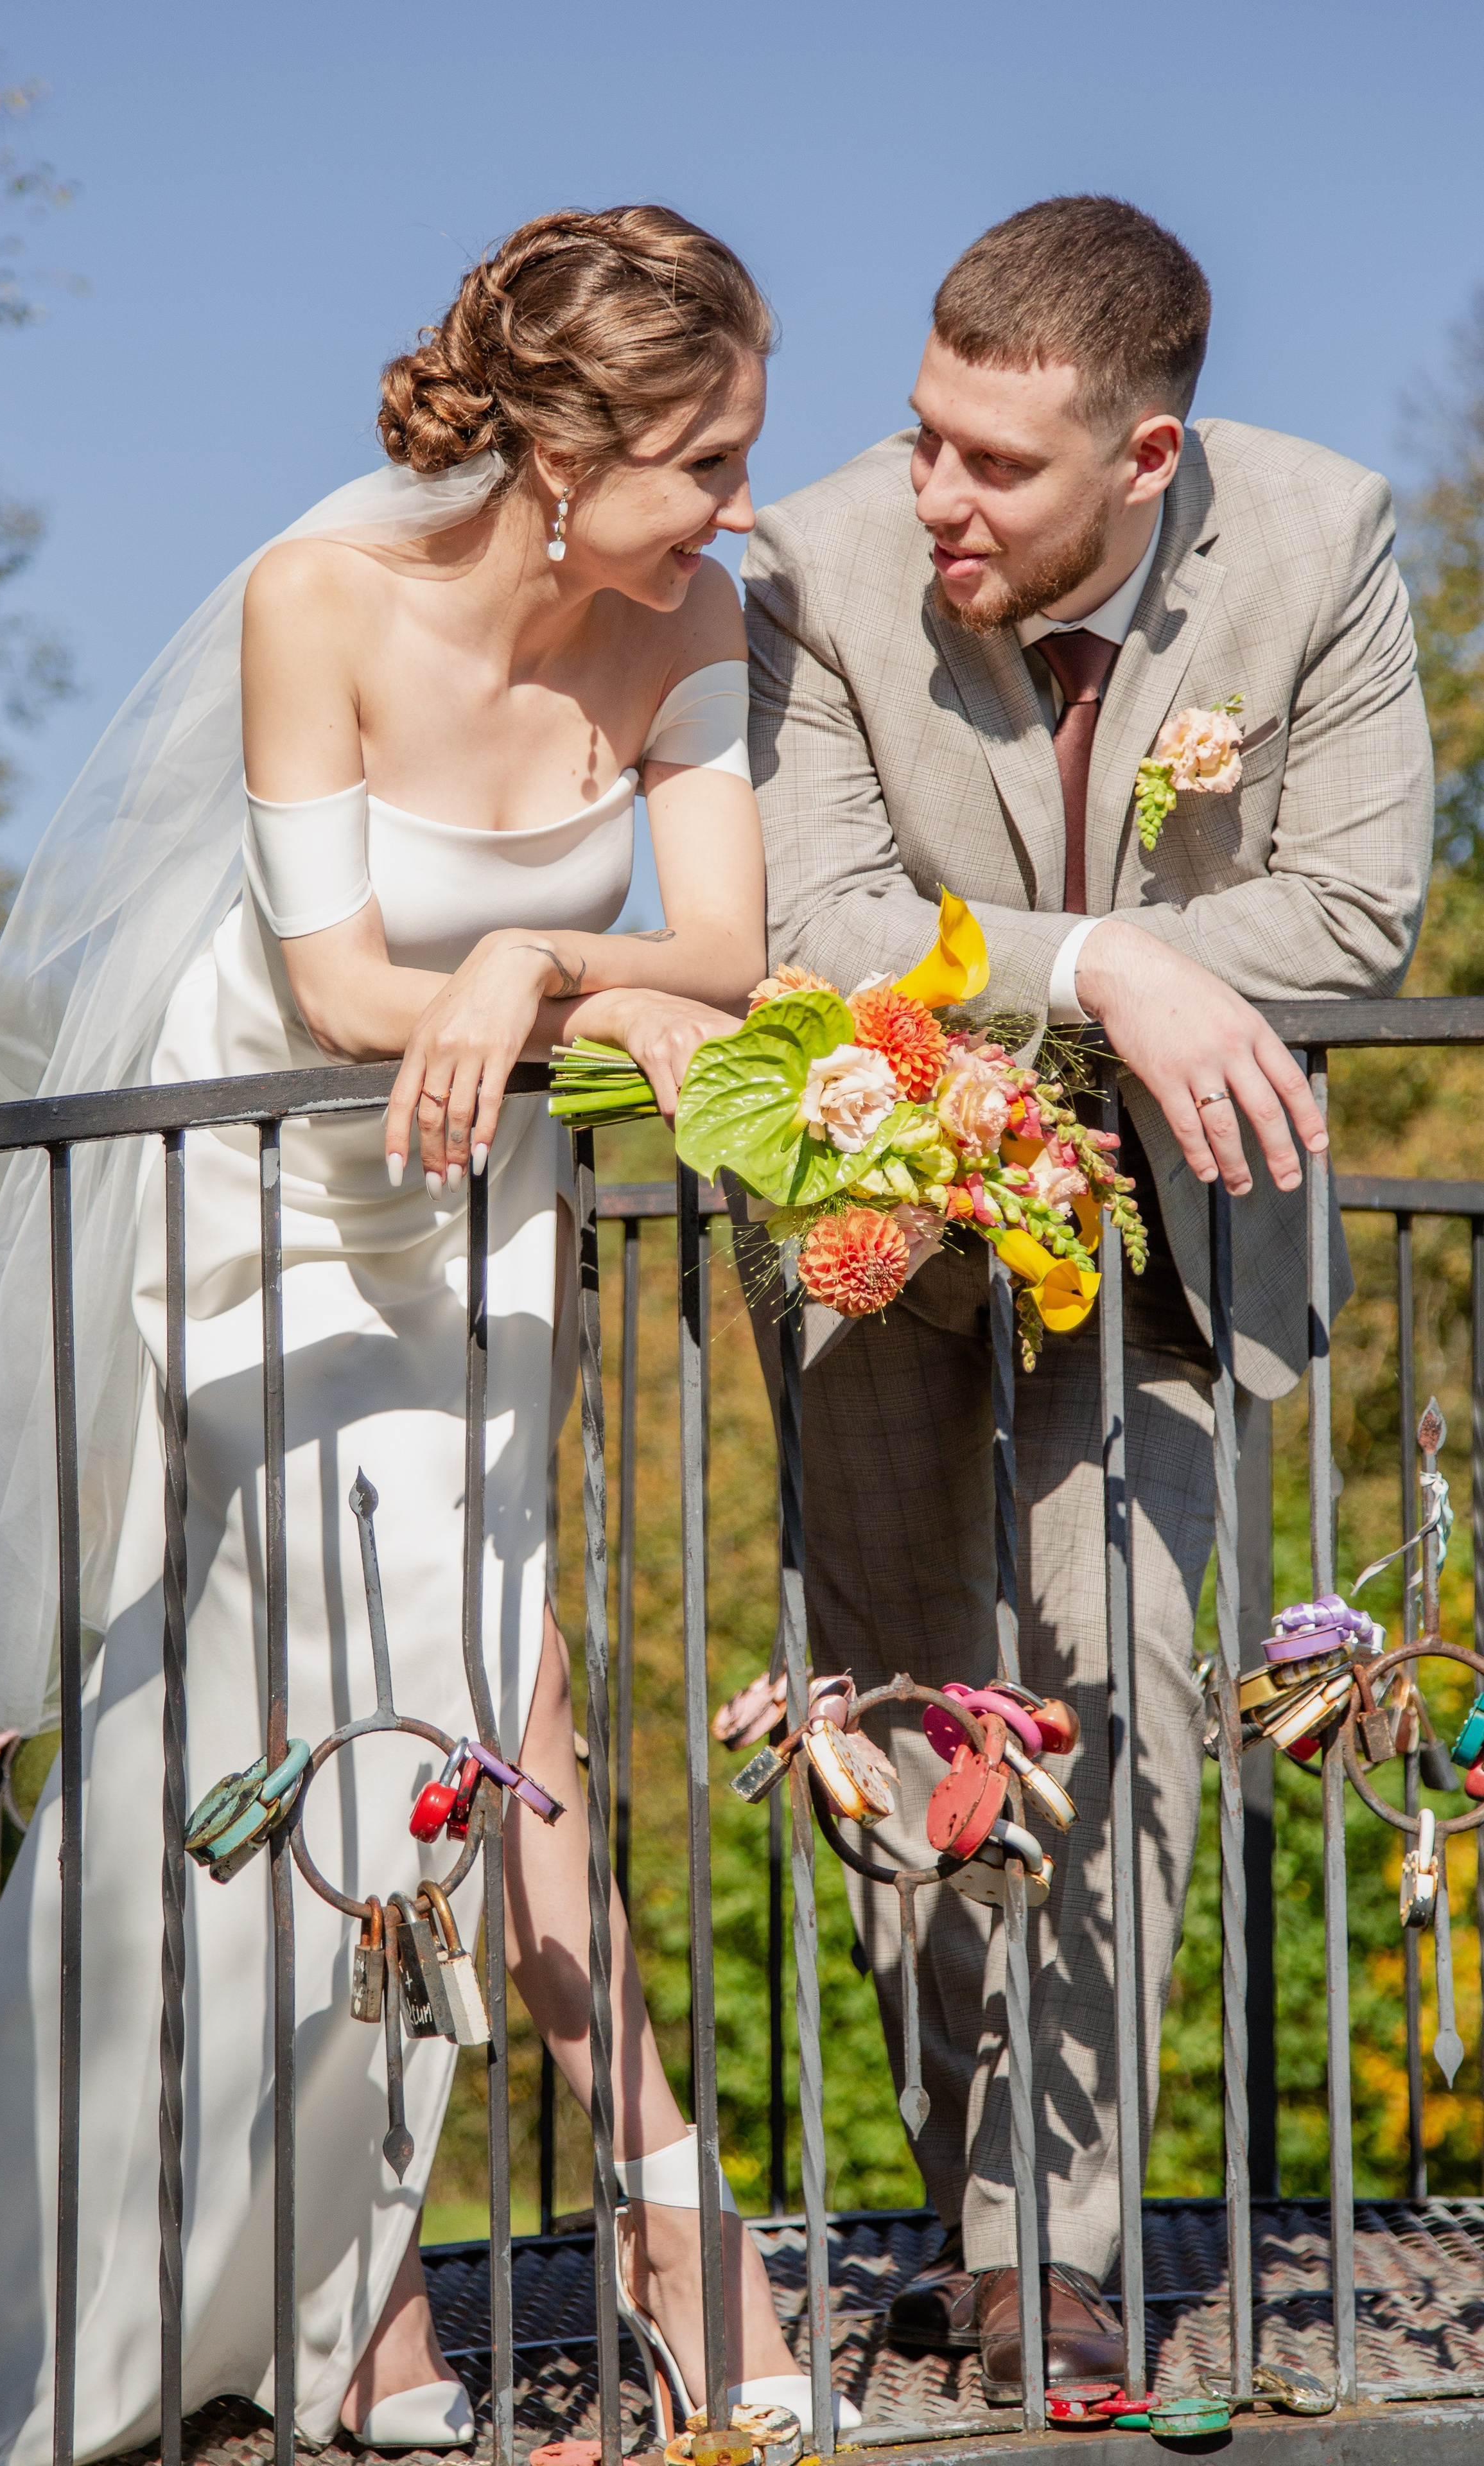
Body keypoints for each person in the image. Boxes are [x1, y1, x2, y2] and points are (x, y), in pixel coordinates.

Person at [0, 206, 835, 2463]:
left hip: (480, 1207)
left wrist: (543, 971)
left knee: (377, 1708)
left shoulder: (702, 621)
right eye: (706, 457)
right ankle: (674, 2234)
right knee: (471, 1696)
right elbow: (331, 992)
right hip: (273, 1198)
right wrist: (510, 983)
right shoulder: (323, 602)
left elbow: (735, 948)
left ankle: (355, 2316)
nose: (742, 501)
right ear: (564, 457)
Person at [742, 195, 1433, 2397]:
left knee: (1121, 1680)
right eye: (926, 433)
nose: (935, 493)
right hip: (877, 1241)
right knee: (906, 1711)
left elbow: (1353, 918)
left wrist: (1113, 992)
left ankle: (1054, 2239)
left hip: (1172, 1253)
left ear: (1144, 463)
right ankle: (968, 2197)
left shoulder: (1322, 542)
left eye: (996, 465)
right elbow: (814, 906)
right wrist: (1097, 966)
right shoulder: (815, 560)